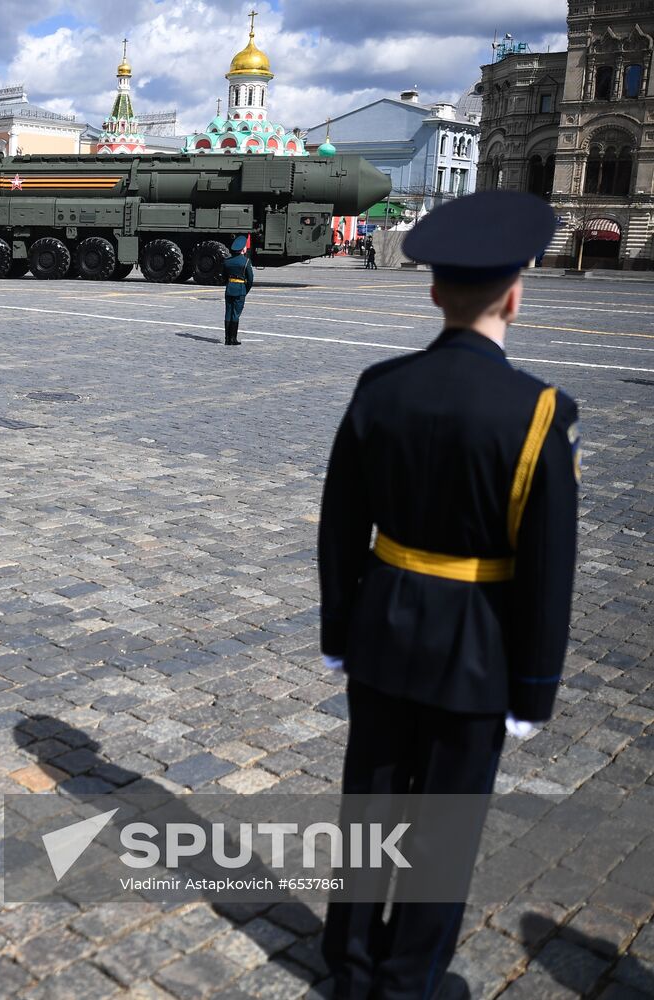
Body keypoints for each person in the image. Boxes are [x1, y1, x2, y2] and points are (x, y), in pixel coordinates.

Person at [318, 191, 579, 999]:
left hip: (384, 626)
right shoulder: (540, 413)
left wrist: (340, 631)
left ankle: (351, 965)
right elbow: (548, 571)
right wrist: (534, 690)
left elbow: (338, 527)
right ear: (515, 293)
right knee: (442, 830)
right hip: (479, 646)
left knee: (369, 806)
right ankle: (406, 981)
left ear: (434, 291)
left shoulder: (380, 386)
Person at [222, 235, 253, 345]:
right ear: (243, 249)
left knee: (228, 313)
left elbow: (224, 277)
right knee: (235, 314)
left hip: (229, 289)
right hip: (240, 290)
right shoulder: (245, 261)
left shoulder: (227, 261)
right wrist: (245, 291)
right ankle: (233, 339)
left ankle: (227, 339)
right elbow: (250, 280)